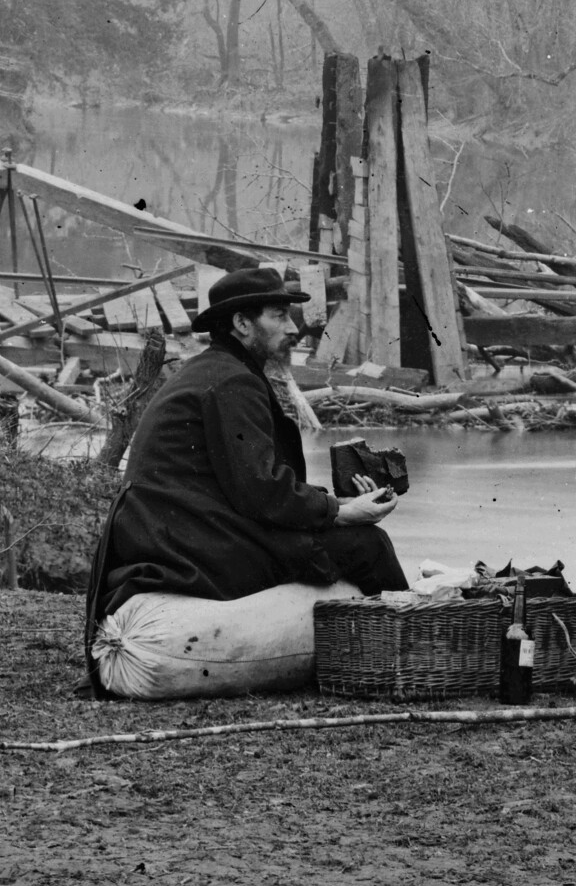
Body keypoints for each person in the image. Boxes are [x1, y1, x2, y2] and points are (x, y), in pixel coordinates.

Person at [84, 267, 407, 698]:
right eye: (279, 316)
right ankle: (415, 648)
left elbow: (250, 485)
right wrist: (339, 512)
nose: (294, 329)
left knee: (347, 538)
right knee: (368, 545)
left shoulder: (214, 370)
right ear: (241, 323)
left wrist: (331, 506)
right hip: (191, 543)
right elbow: (260, 490)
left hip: (175, 531)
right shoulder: (232, 380)